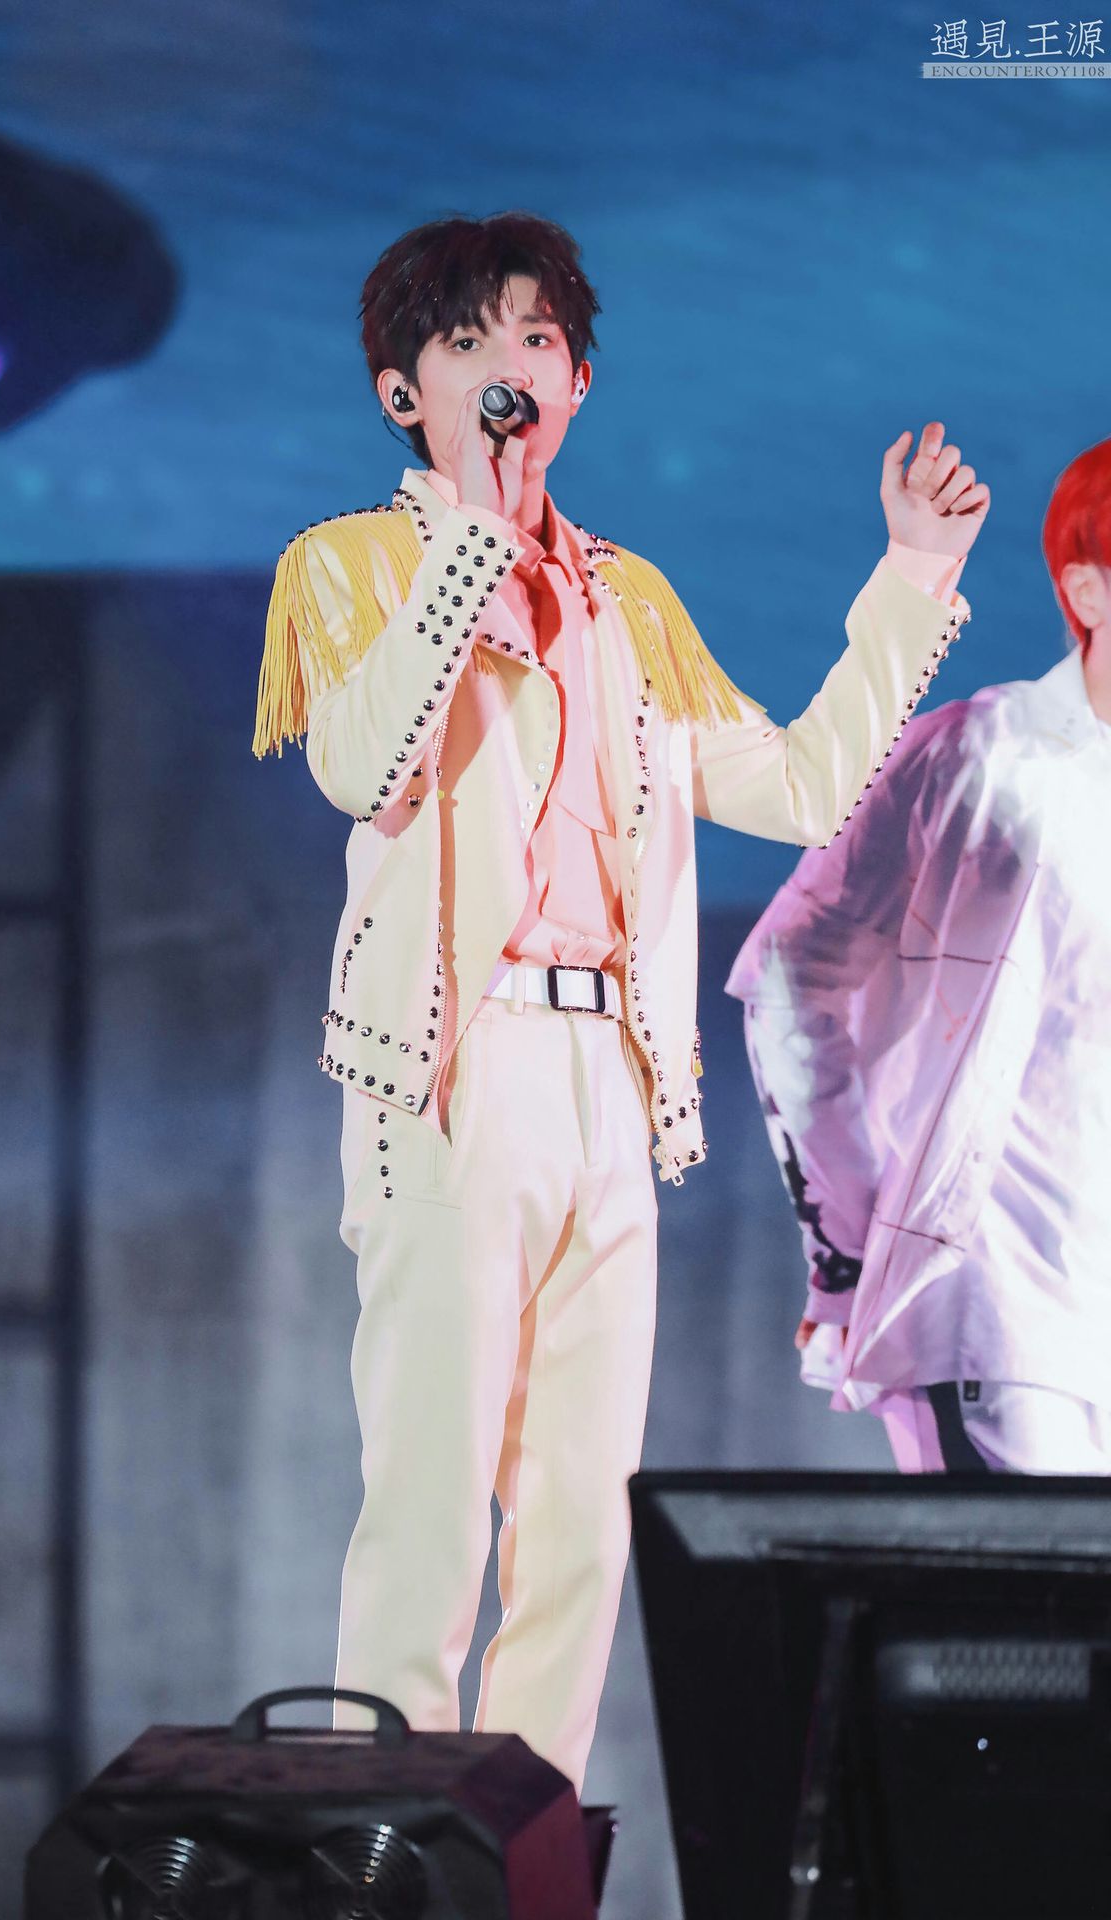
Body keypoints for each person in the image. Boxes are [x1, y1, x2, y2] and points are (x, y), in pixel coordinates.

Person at [252, 210, 984, 1787]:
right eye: (466, 344)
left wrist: (911, 578)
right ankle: (388, 1852)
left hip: (612, 1077)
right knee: (431, 1507)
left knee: (581, 1527)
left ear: (578, 380)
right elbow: (368, 770)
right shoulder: (355, 565)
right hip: (454, 1070)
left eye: (536, 339)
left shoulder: (626, 601)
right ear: (404, 394)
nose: (507, 369)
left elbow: (800, 788)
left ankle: (524, 1855)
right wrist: (474, 537)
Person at [729, 435, 1111, 1476]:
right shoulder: (988, 755)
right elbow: (789, 976)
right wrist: (850, 1240)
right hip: (1004, 1330)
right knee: (1012, 1589)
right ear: (1086, 589)